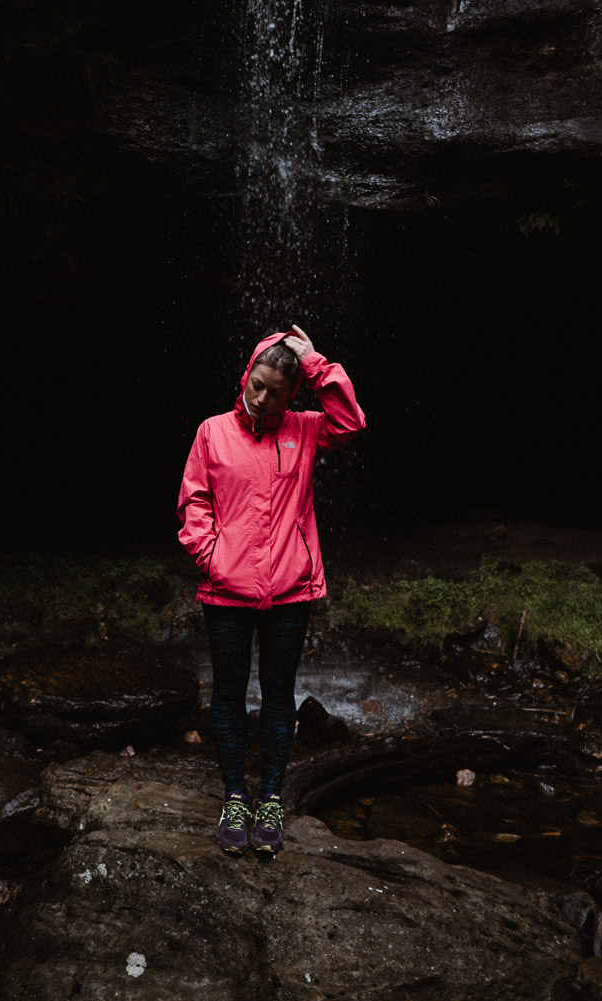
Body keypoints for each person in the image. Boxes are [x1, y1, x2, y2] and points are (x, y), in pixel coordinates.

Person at [176, 324, 365, 856]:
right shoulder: (212, 432)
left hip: (290, 589)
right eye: (256, 384)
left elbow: (351, 422)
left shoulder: (306, 430)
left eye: (275, 392)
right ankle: (235, 797)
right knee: (230, 693)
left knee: (279, 695)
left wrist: (316, 362)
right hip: (226, 590)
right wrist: (212, 556)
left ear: (291, 394)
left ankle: (271, 800)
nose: (261, 398)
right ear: (246, 376)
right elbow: (194, 503)